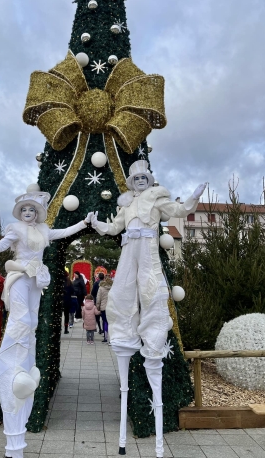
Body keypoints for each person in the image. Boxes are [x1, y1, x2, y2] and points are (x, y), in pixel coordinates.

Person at [89, 160, 206, 457]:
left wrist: (192, 199)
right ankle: (124, 340)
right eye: (136, 178)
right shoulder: (127, 205)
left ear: (149, 180)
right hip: (129, 252)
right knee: (121, 298)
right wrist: (96, 222)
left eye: (144, 177)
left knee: (153, 294)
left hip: (149, 253)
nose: (140, 181)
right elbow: (114, 227)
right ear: (130, 182)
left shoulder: (156, 199)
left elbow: (178, 211)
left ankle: (153, 346)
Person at [0, 185, 90, 458]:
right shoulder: (15, 229)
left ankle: (24, 362)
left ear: (37, 213)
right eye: (24, 209)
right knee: (22, 319)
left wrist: (84, 222)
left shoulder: (43, 230)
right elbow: (0, 248)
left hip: (36, 281)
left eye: (31, 210)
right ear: (20, 212)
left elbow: (64, 232)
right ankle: (14, 362)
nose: (28, 213)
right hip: (18, 278)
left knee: (33, 325)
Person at [96, 274, 113, 343]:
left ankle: (105, 337)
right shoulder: (113, 287)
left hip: (104, 307)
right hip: (112, 307)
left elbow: (98, 299)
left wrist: (98, 307)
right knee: (111, 322)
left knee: (105, 321)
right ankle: (111, 337)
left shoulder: (101, 288)